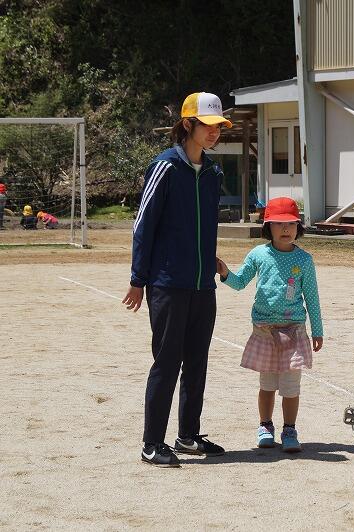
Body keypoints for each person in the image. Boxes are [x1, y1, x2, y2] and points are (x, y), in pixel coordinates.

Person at [122, 92, 232, 468]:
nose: (215, 132)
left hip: (203, 284)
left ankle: (188, 436)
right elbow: (143, 224)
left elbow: (205, 226)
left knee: (197, 363)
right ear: (188, 124)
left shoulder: (214, 173)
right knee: (167, 362)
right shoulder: (165, 166)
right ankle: (152, 442)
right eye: (208, 125)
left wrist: (208, 259)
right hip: (168, 283)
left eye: (219, 127)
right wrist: (138, 279)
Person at [216, 197, 323, 453]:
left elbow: (312, 297)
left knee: (290, 387)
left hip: (294, 332)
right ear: (268, 227)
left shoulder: (304, 260)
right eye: (278, 224)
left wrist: (317, 331)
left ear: (299, 227)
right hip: (264, 331)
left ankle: (290, 429)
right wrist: (226, 273)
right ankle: (265, 426)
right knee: (267, 385)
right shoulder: (258, 254)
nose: (286, 229)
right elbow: (240, 282)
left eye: (291, 224)